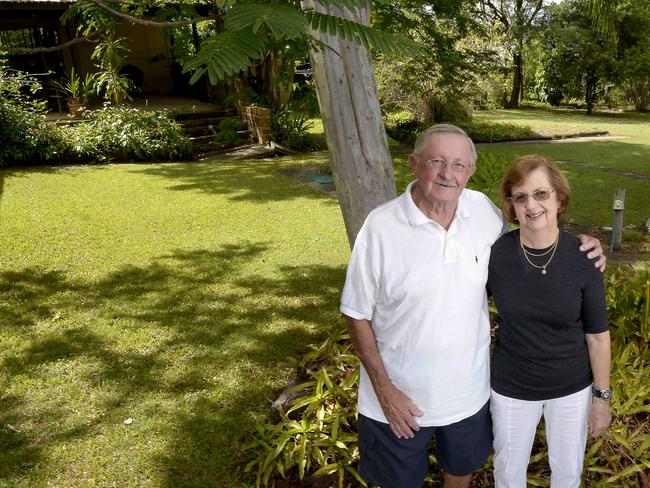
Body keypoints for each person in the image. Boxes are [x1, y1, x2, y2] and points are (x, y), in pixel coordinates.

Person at [340, 124, 606, 488]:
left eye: (459, 165)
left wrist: (583, 245)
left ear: (471, 173)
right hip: (396, 402)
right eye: (437, 161)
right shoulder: (381, 227)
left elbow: (534, 235)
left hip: (467, 399)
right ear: (414, 164)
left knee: (460, 476)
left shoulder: (483, 214)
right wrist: (385, 392)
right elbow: (355, 313)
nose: (448, 174)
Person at [487, 155, 611, 488]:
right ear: (511, 205)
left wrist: (602, 398)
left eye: (541, 194)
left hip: (571, 389)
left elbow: (598, 336)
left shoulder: (584, 257)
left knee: (568, 474)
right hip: (512, 388)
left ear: (559, 198)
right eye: (521, 196)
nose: (532, 204)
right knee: (508, 475)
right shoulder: (496, 255)